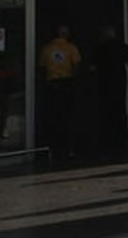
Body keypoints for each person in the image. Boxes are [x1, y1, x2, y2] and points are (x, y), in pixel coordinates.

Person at [90, 25, 128, 151]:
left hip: (104, 84)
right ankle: (122, 139)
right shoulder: (123, 47)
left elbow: (93, 69)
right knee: (120, 110)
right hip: (120, 83)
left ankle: (108, 139)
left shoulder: (99, 49)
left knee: (106, 111)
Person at [39, 25, 82, 157]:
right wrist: (75, 81)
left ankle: (54, 146)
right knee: (68, 115)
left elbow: (42, 67)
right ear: (66, 34)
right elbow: (77, 66)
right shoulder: (71, 48)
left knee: (53, 115)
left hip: (52, 84)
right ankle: (69, 147)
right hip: (66, 83)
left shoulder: (47, 49)